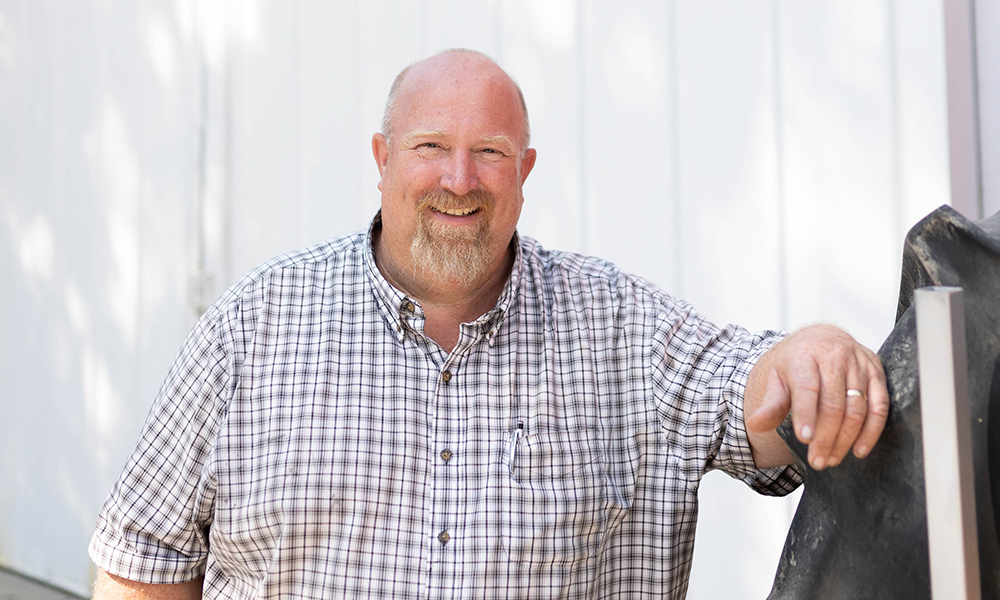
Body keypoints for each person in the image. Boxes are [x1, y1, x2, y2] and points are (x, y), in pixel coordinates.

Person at [89, 49, 888, 599]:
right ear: (383, 158)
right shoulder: (253, 328)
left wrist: (805, 356)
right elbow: (143, 552)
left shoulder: (621, 329)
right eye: (432, 145)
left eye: (491, 152)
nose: (459, 180)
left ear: (525, 171)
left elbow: (746, 396)